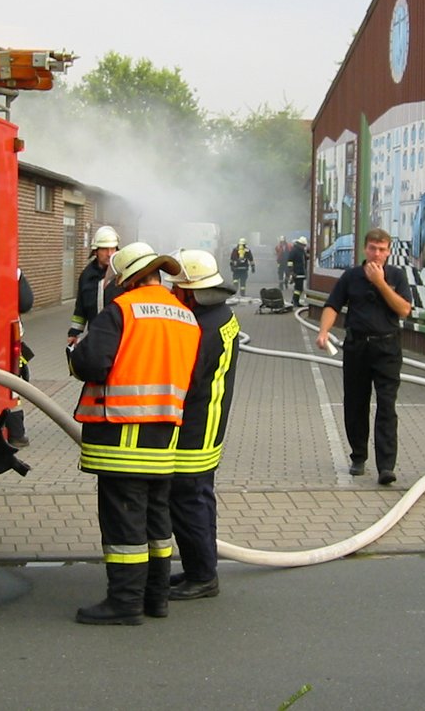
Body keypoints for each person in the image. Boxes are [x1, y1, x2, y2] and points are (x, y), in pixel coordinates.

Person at [68, 242, 201, 625]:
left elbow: (92, 363)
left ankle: (124, 603)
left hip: (122, 433)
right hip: (165, 436)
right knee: (156, 522)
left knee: (124, 521)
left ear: (126, 279)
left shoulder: (121, 310)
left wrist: (74, 355)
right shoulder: (185, 316)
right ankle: (155, 599)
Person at [165, 250, 240, 601]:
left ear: (191, 290)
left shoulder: (201, 328)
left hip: (196, 425)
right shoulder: (220, 314)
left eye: (177, 288)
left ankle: (203, 577)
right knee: (199, 498)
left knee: (187, 500)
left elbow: (187, 378)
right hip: (209, 420)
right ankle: (200, 568)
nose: (173, 293)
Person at [316, 228, 412, 487]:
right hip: (357, 347)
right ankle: (358, 456)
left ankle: (386, 467)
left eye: (382, 249)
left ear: (388, 252)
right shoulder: (351, 277)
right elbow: (333, 305)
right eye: (372, 248)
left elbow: (404, 309)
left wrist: (380, 283)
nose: (376, 254)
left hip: (387, 348)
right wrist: (324, 331)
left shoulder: (396, 276)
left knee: (386, 406)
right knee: (356, 403)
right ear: (364, 249)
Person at [67, 225, 121, 346]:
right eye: (104, 249)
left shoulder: (122, 274)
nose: (109, 254)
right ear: (95, 251)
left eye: (113, 249)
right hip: (96, 336)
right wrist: (74, 332)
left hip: (119, 337)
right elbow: (80, 308)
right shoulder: (87, 276)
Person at [2, 268, 35, 447]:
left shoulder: (13, 272)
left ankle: (16, 432)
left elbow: (25, 303)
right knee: (13, 385)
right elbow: (26, 303)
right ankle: (17, 434)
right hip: (6, 337)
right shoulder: (13, 271)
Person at [287, 235, 309, 308]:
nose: (304, 246)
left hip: (301, 273)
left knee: (299, 289)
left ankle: (295, 301)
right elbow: (290, 261)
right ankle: (295, 301)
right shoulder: (294, 250)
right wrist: (291, 272)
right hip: (297, 273)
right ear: (300, 244)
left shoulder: (301, 251)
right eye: (304, 245)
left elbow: (305, 258)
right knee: (298, 289)